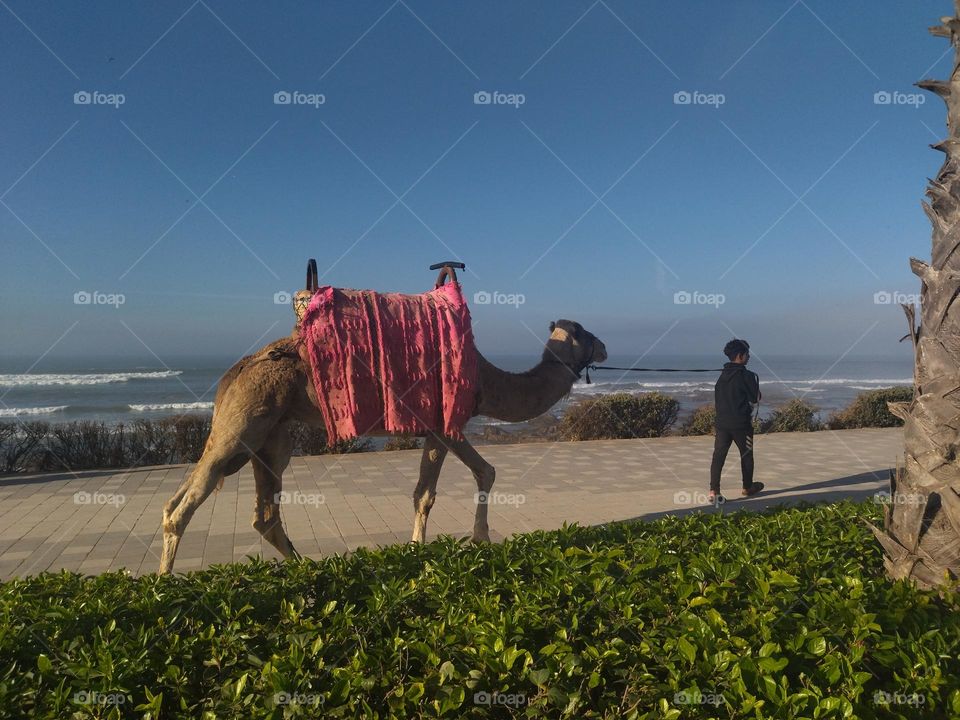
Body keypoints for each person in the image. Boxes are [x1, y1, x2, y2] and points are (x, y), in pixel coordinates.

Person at [709, 339, 764, 503]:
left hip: (722, 424)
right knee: (746, 455)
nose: (749, 357)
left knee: (718, 456)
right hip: (741, 425)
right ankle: (747, 487)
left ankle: (714, 491)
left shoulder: (722, 375)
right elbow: (755, 398)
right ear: (740, 356)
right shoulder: (747, 375)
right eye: (747, 354)